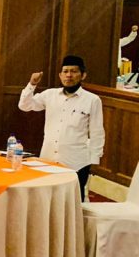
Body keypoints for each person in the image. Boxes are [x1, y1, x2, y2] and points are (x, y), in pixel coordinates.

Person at [18, 56, 105, 200]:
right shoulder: (50, 95)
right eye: (65, 71)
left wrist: (94, 160)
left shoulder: (92, 100)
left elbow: (97, 132)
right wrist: (32, 84)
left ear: (83, 75)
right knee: (45, 199)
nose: (69, 75)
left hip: (76, 163)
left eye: (73, 71)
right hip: (48, 159)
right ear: (60, 75)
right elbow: (25, 106)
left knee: (73, 203)